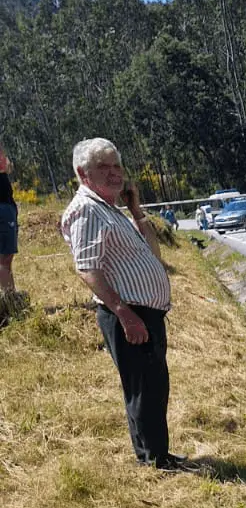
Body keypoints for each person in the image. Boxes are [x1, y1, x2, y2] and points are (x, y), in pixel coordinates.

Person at [60, 138, 191, 470]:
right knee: (144, 388)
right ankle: (154, 459)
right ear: (82, 173)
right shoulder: (86, 209)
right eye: (103, 167)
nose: (114, 173)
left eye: (116, 165)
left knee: (152, 385)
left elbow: (153, 255)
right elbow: (86, 268)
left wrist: (136, 212)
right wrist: (123, 312)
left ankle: (154, 454)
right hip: (127, 313)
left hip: (143, 312)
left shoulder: (110, 209)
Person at [0, 143, 19, 316]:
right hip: (3, 210)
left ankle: (10, 299)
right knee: (4, 260)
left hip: (6, 208)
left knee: (6, 260)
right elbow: (6, 164)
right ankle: (10, 305)